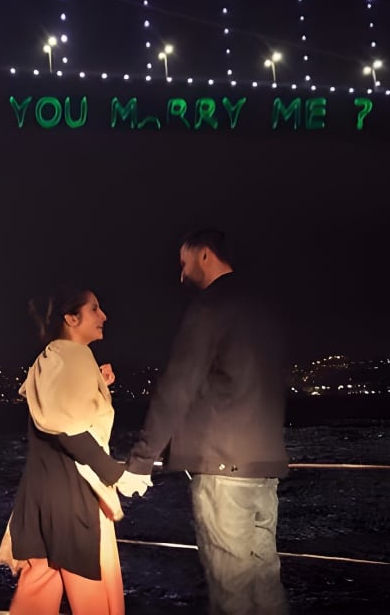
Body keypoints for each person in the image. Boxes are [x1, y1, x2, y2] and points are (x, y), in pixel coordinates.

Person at [127, 229, 290, 615]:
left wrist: (141, 460)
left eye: (183, 262)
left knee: (231, 592)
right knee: (265, 582)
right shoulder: (264, 311)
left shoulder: (210, 308)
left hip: (222, 466)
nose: (181, 273)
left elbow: (177, 387)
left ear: (204, 255)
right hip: (264, 467)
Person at [0, 284, 150, 615]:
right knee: (96, 601)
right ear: (71, 318)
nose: (103, 316)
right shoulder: (74, 356)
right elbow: (70, 430)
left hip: (38, 499)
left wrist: (95, 383)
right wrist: (117, 474)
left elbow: (59, 410)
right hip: (72, 502)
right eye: (94, 309)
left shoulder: (49, 358)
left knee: (35, 598)